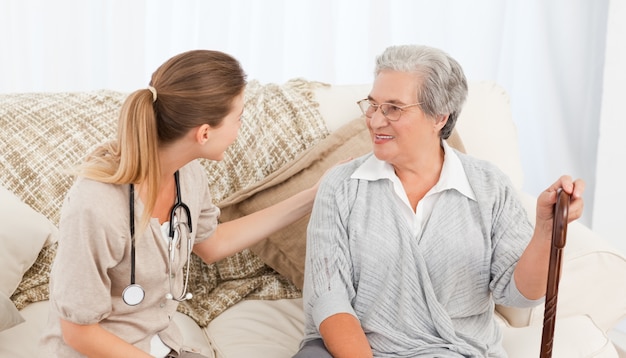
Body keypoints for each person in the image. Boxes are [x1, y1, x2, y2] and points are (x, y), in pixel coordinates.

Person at [294, 44, 585, 358]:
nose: (375, 121)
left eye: (393, 108)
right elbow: (328, 297)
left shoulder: (489, 186)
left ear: (439, 117)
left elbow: (521, 293)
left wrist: (545, 229)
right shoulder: (341, 186)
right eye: (373, 104)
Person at [38, 50, 321, 358]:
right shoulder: (96, 205)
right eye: (238, 119)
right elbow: (78, 333)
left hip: (159, 345)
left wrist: (313, 196)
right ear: (204, 133)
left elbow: (210, 243)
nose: (239, 130)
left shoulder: (188, 176)